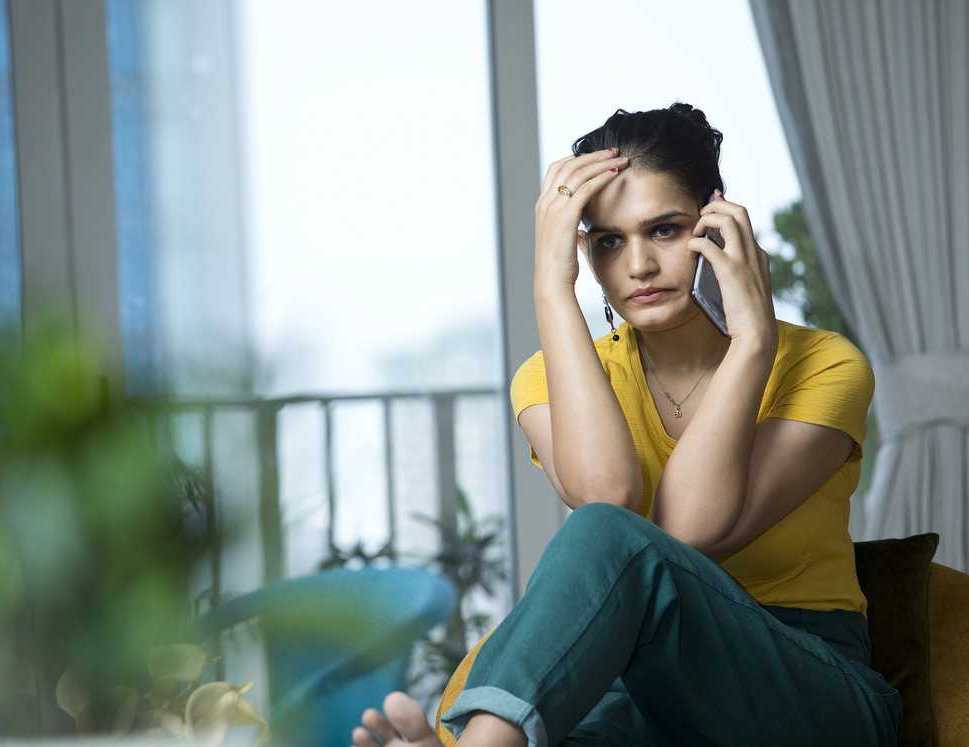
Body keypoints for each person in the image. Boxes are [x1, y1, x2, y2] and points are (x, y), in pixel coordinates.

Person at [349, 103, 901, 747]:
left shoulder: (826, 365)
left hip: (803, 683)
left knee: (612, 538)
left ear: (716, 224)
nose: (637, 265)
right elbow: (608, 493)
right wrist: (551, 290)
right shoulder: (548, 379)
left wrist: (753, 339)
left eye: (664, 230)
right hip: (638, 687)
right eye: (609, 241)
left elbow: (684, 531)